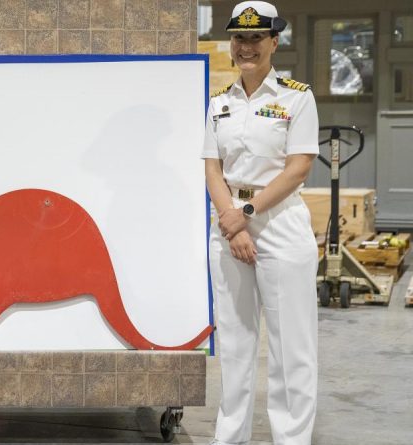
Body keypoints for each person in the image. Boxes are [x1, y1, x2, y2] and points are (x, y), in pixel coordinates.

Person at [202, 2, 319, 445]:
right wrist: (231, 225)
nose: (246, 47)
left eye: (255, 38)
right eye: (239, 38)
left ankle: (291, 439)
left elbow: (298, 168)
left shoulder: (297, 97)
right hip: (228, 226)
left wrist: (244, 217)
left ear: (273, 42)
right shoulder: (219, 103)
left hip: (280, 225)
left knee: (292, 346)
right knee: (234, 342)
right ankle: (230, 438)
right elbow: (213, 169)